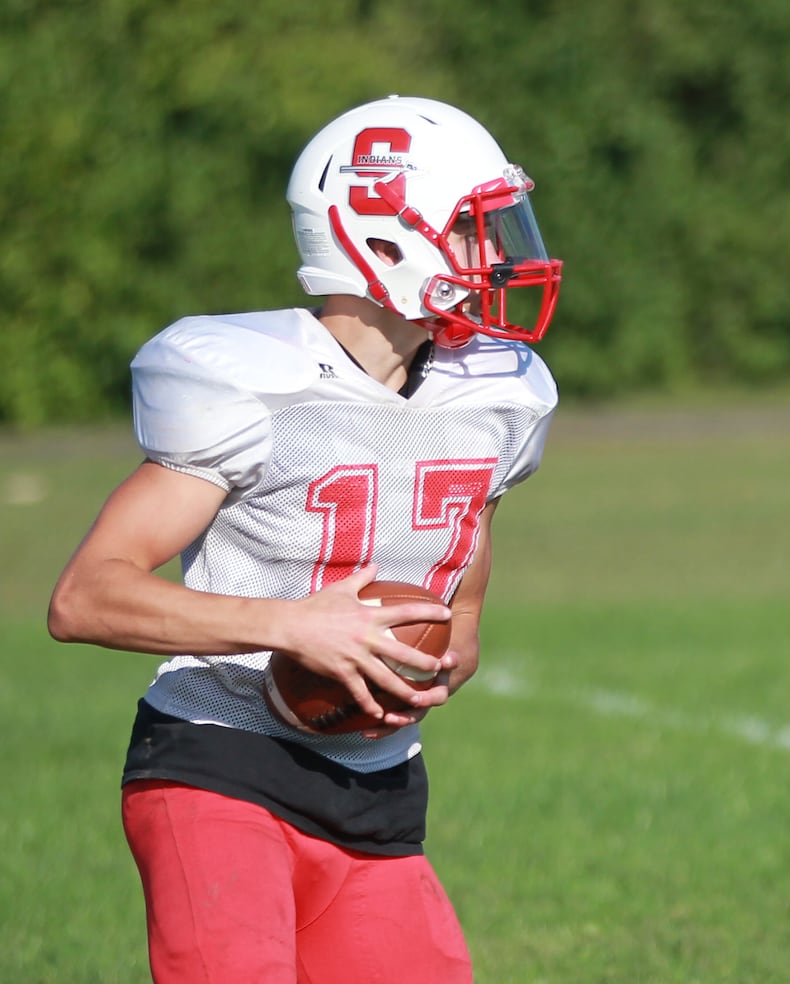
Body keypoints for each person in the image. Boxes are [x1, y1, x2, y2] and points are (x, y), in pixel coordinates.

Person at [47, 95, 564, 983]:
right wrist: (289, 625)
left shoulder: (501, 391)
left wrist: (448, 637)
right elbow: (84, 595)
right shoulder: (251, 382)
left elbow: (464, 561)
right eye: (476, 229)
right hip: (220, 760)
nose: (502, 254)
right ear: (384, 241)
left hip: (379, 786)